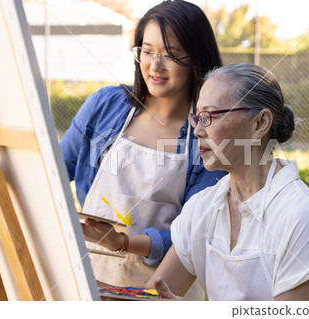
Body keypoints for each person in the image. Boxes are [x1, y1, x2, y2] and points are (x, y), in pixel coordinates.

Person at [59, 0, 226, 299]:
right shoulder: (105, 106)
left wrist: (123, 242)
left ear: (197, 59)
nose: (155, 66)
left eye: (171, 55)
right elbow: (55, 173)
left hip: (161, 288)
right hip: (88, 275)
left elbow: (192, 236)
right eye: (147, 51)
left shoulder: (209, 135)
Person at [146, 63, 309, 300]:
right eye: (197, 117)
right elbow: (151, 298)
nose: (198, 130)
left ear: (260, 124)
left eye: (209, 116)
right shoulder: (202, 208)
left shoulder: (298, 216)